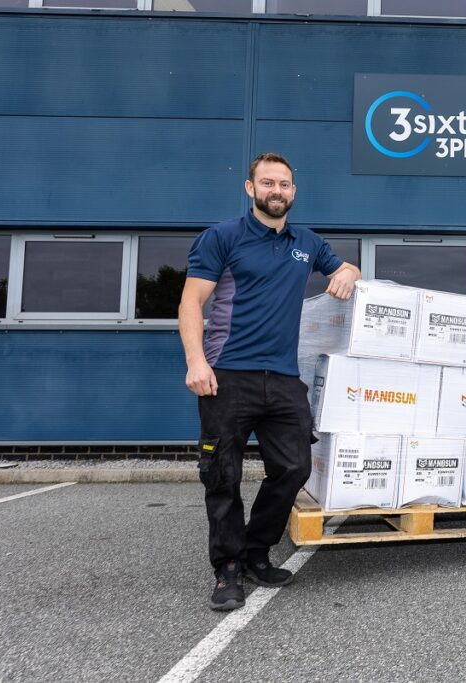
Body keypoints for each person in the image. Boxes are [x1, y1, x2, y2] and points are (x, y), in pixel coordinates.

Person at [178, 152, 361, 610]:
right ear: (250, 188)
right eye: (267, 183)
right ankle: (228, 569)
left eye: (283, 184)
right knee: (222, 474)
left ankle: (257, 550)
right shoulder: (222, 237)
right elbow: (190, 302)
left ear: (293, 192)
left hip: (282, 377)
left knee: (296, 466)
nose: (275, 191)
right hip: (227, 375)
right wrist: (196, 362)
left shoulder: (307, 241)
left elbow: (343, 267)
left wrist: (346, 273)